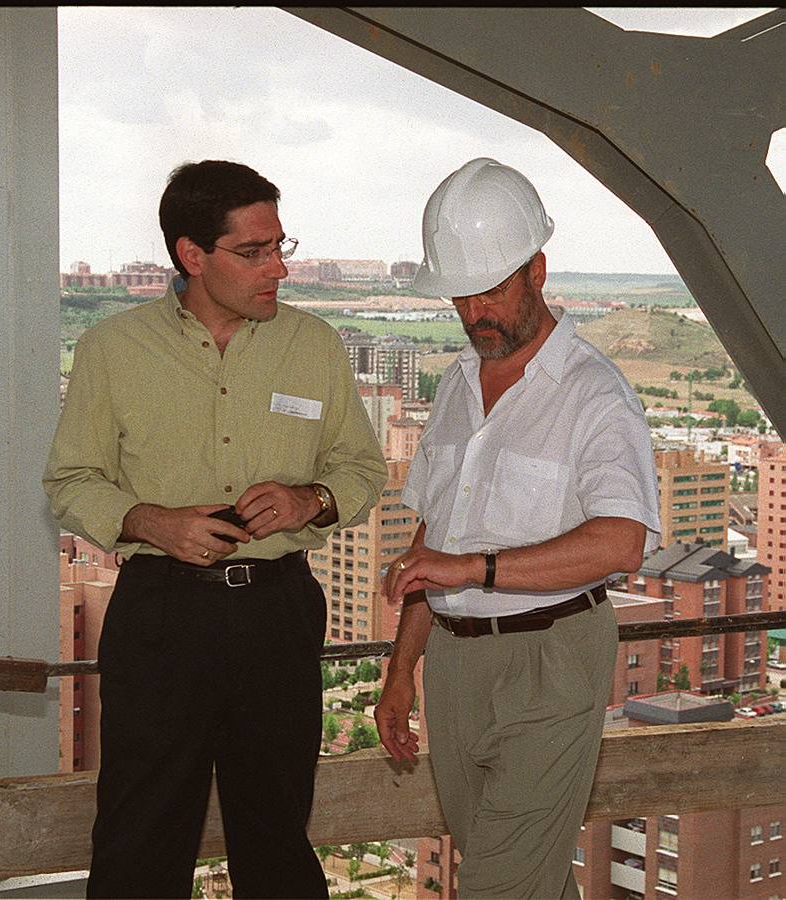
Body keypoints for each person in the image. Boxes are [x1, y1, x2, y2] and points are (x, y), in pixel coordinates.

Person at [43, 159, 386, 898]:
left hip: (277, 612)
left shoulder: (315, 345)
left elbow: (363, 468)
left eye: (281, 246)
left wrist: (312, 501)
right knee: (140, 840)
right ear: (191, 256)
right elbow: (70, 483)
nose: (280, 270)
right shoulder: (112, 350)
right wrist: (148, 521)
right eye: (255, 252)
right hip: (160, 613)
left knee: (276, 837)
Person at [374, 158, 661, 899]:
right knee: (516, 876)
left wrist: (474, 570)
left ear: (538, 270)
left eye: (491, 290)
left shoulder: (595, 395)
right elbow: (431, 544)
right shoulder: (460, 385)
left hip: (552, 656)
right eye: (460, 297)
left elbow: (620, 542)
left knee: (499, 888)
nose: (475, 314)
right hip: (457, 667)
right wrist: (401, 670)